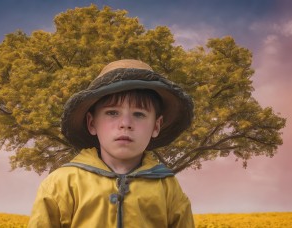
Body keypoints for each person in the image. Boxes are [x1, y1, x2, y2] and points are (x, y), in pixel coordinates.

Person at [28, 59, 195, 228]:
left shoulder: (167, 186)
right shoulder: (63, 183)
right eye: (113, 112)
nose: (126, 123)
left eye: (139, 114)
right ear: (92, 123)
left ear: (156, 126)